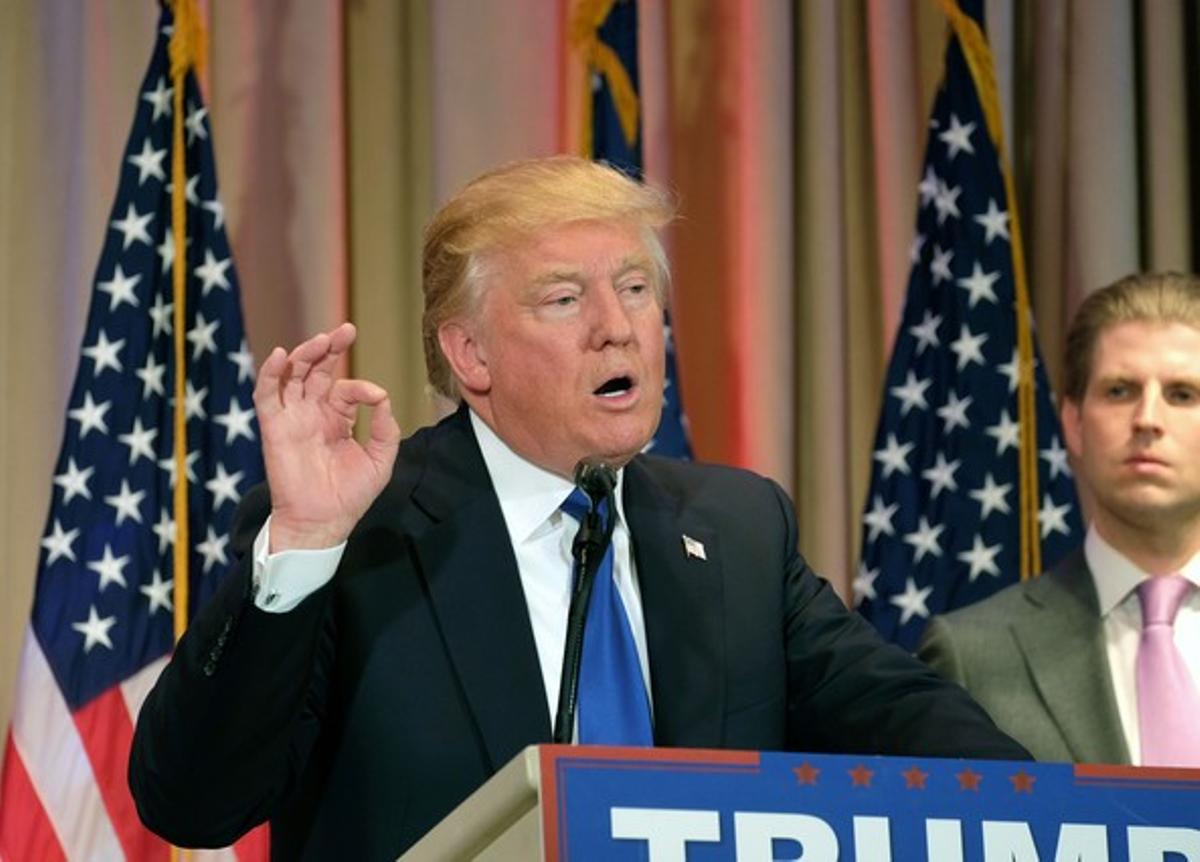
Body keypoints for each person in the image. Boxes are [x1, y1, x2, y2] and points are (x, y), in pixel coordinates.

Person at [129, 156, 1027, 860]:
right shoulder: (360, 535)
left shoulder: (737, 528)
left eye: (636, 288)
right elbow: (193, 803)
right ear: (470, 354)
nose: (619, 324)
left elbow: (914, 727)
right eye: (565, 299)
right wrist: (306, 545)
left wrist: (1092, 819)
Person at [919, 272, 1200, 767]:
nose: (1148, 419)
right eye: (1119, 390)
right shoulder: (971, 657)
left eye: (1181, 394)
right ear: (1072, 422)